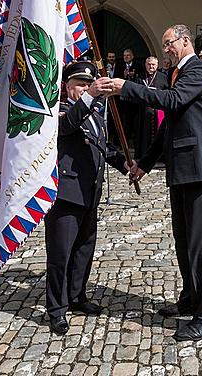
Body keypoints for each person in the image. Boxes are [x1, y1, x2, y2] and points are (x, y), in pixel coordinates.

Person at [111, 24, 202, 342]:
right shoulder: (176, 74)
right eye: (163, 47)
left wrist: (126, 88)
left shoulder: (200, 72)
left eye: (169, 44)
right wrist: (144, 164)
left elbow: (172, 102)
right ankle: (191, 298)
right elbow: (168, 129)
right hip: (182, 170)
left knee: (201, 245)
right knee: (184, 241)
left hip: (201, 171)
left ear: (185, 41)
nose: (166, 51)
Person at [45, 61, 129, 336]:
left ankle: (77, 295)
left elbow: (104, 147)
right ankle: (56, 309)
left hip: (90, 192)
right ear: (66, 87)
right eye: (80, 84)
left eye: (87, 84)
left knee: (84, 249)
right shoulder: (60, 111)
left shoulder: (93, 114)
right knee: (61, 254)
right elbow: (68, 127)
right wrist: (92, 94)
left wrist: (127, 165)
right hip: (66, 195)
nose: (84, 89)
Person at [135, 56, 168, 157]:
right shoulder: (140, 76)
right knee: (144, 134)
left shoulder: (163, 77)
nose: (151, 66)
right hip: (144, 111)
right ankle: (144, 154)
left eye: (153, 64)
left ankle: (159, 155)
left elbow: (167, 91)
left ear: (157, 65)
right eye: (149, 64)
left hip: (159, 111)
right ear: (145, 65)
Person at [114, 49, 144, 145]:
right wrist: (124, 75)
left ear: (132, 56)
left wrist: (134, 75)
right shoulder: (119, 66)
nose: (126, 57)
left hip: (134, 98)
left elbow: (142, 78)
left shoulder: (138, 65)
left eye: (128, 55)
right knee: (124, 121)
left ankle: (135, 142)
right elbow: (115, 78)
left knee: (135, 122)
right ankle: (124, 142)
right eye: (124, 55)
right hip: (123, 99)